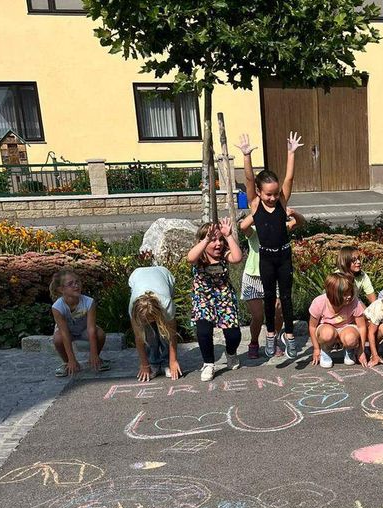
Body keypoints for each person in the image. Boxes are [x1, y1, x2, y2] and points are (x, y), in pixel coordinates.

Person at [235, 133, 306, 359]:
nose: (273, 198)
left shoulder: (281, 202)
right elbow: (248, 180)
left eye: (276, 194)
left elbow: (289, 179)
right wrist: (246, 156)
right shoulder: (255, 204)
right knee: (268, 297)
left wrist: (291, 153)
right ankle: (269, 335)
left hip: (283, 257)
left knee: (285, 297)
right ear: (258, 193)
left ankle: (291, 336)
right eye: (268, 194)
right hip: (265, 258)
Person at [185, 217, 244, 382]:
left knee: (234, 335)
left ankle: (231, 353)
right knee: (204, 332)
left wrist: (229, 236)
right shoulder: (199, 256)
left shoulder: (224, 255)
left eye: (220, 240)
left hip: (224, 297)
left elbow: (238, 258)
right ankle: (208, 363)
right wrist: (205, 240)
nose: (218, 244)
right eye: (213, 240)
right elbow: (190, 258)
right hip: (203, 298)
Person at [127, 265, 183, 381]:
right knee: (147, 333)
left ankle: (167, 362)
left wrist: (173, 361)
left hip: (164, 274)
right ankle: (153, 363)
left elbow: (172, 334)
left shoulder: (166, 305)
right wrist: (144, 365)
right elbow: (138, 337)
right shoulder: (133, 308)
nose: (149, 322)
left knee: (165, 332)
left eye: (152, 319)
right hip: (137, 275)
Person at [50, 269, 109, 377]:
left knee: (100, 334)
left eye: (77, 282)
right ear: (61, 289)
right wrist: (72, 359)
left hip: (83, 330)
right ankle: (67, 363)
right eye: (70, 284)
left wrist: (93, 353)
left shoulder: (89, 302)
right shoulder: (57, 307)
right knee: (57, 339)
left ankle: (95, 358)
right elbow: (64, 333)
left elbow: (91, 329)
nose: (76, 285)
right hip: (67, 332)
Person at [308, 272, 368, 369]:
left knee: (351, 339)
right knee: (327, 334)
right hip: (327, 328)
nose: (349, 296)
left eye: (350, 292)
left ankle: (349, 349)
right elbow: (312, 326)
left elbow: (361, 326)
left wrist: (361, 350)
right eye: (345, 294)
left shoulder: (354, 302)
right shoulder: (319, 302)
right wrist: (316, 349)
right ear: (334, 294)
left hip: (347, 327)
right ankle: (325, 350)